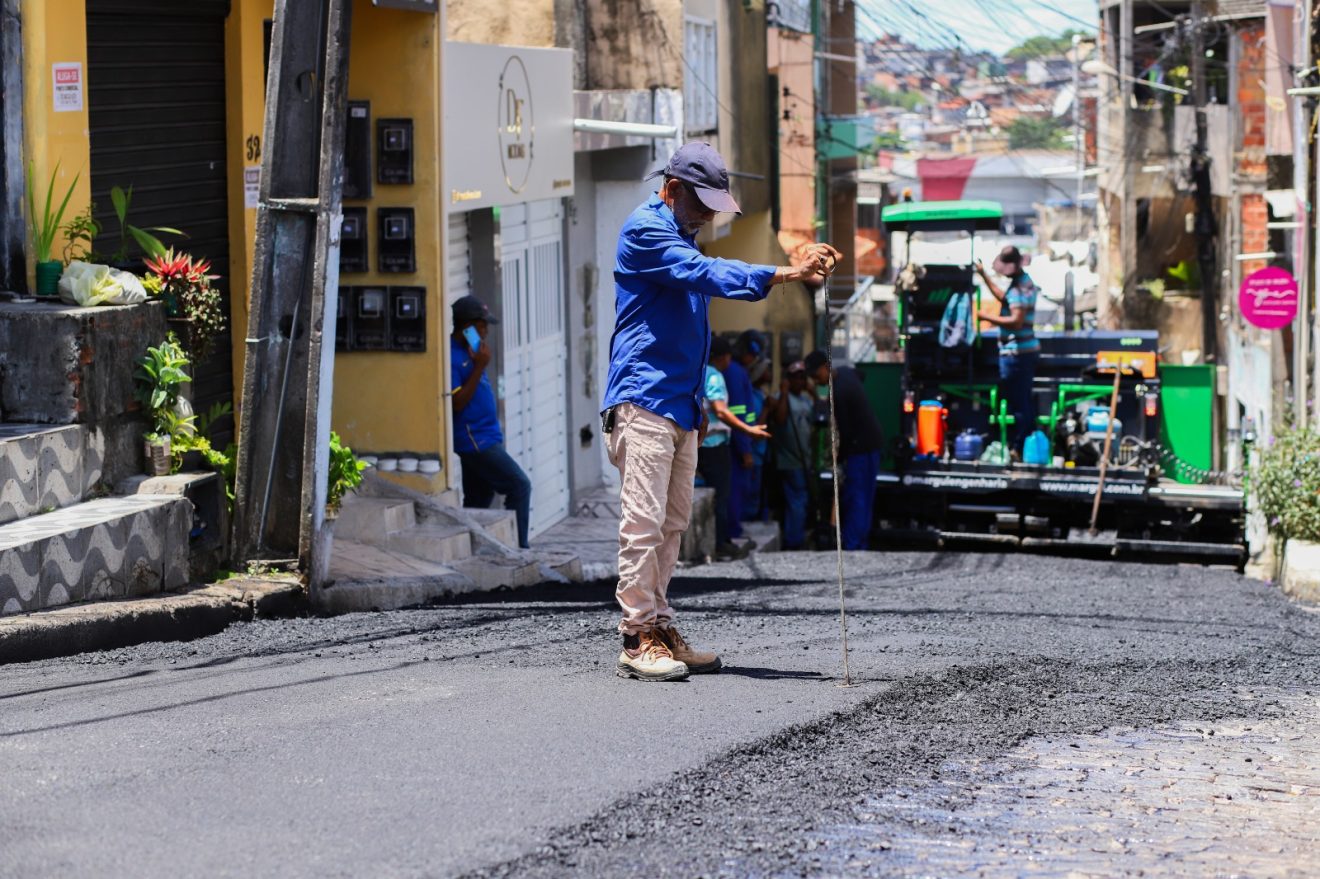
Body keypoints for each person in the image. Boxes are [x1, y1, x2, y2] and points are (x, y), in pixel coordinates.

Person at [602, 141, 840, 682]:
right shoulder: (647, 231)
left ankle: (660, 625)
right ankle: (636, 635)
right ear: (671, 189)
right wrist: (786, 273)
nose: (710, 215)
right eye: (702, 203)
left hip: (679, 403)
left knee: (672, 523)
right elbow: (705, 274)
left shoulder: (680, 232)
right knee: (642, 524)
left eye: (715, 205)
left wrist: (699, 403)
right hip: (643, 399)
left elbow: (691, 329)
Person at [449, 295, 532, 549]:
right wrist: (479, 367)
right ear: (468, 326)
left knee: (479, 498)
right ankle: (519, 548)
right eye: (483, 326)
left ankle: (472, 548)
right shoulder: (452, 358)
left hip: (485, 437)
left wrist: (478, 363)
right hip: (476, 441)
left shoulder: (471, 352)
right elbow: (456, 403)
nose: (485, 332)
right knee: (519, 486)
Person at [804, 350, 883, 551]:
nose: (815, 381)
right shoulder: (847, 373)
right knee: (865, 496)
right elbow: (861, 376)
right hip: (872, 443)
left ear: (825, 367)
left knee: (856, 497)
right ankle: (860, 542)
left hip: (859, 448)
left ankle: (853, 545)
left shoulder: (837, 393)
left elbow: (845, 431)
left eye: (815, 375)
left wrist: (839, 458)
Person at [701, 336, 771, 559]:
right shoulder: (715, 376)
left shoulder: (694, 371)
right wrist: (747, 436)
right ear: (722, 357)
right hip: (716, 443)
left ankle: (718, 539)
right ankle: (722, 542)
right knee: (722, 495)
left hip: (696, 443)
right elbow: (722, 411)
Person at [975, 245, 1040, 456]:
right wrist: (984, 275)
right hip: (1022, 353)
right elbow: (1004, 298)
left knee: (1019, 402)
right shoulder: (1022, 283)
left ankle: (1019, 447)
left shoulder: (1020, 289)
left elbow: (1016, 321)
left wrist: (985, 317)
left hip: (1016, 355)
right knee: (1022, 401)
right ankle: (1023, 445)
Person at [767, 360, 814, 550]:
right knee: (797, 502)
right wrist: (784, 392)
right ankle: (794, 542)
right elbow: (779, 419)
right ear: (788, 380)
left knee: (801, 501)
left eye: (803, 377)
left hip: (805, 460)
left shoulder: (806, 400)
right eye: (796, 377)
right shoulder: (781, 397)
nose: (800, 381)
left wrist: (812, 393)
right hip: (789, 460)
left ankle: (797, 537)